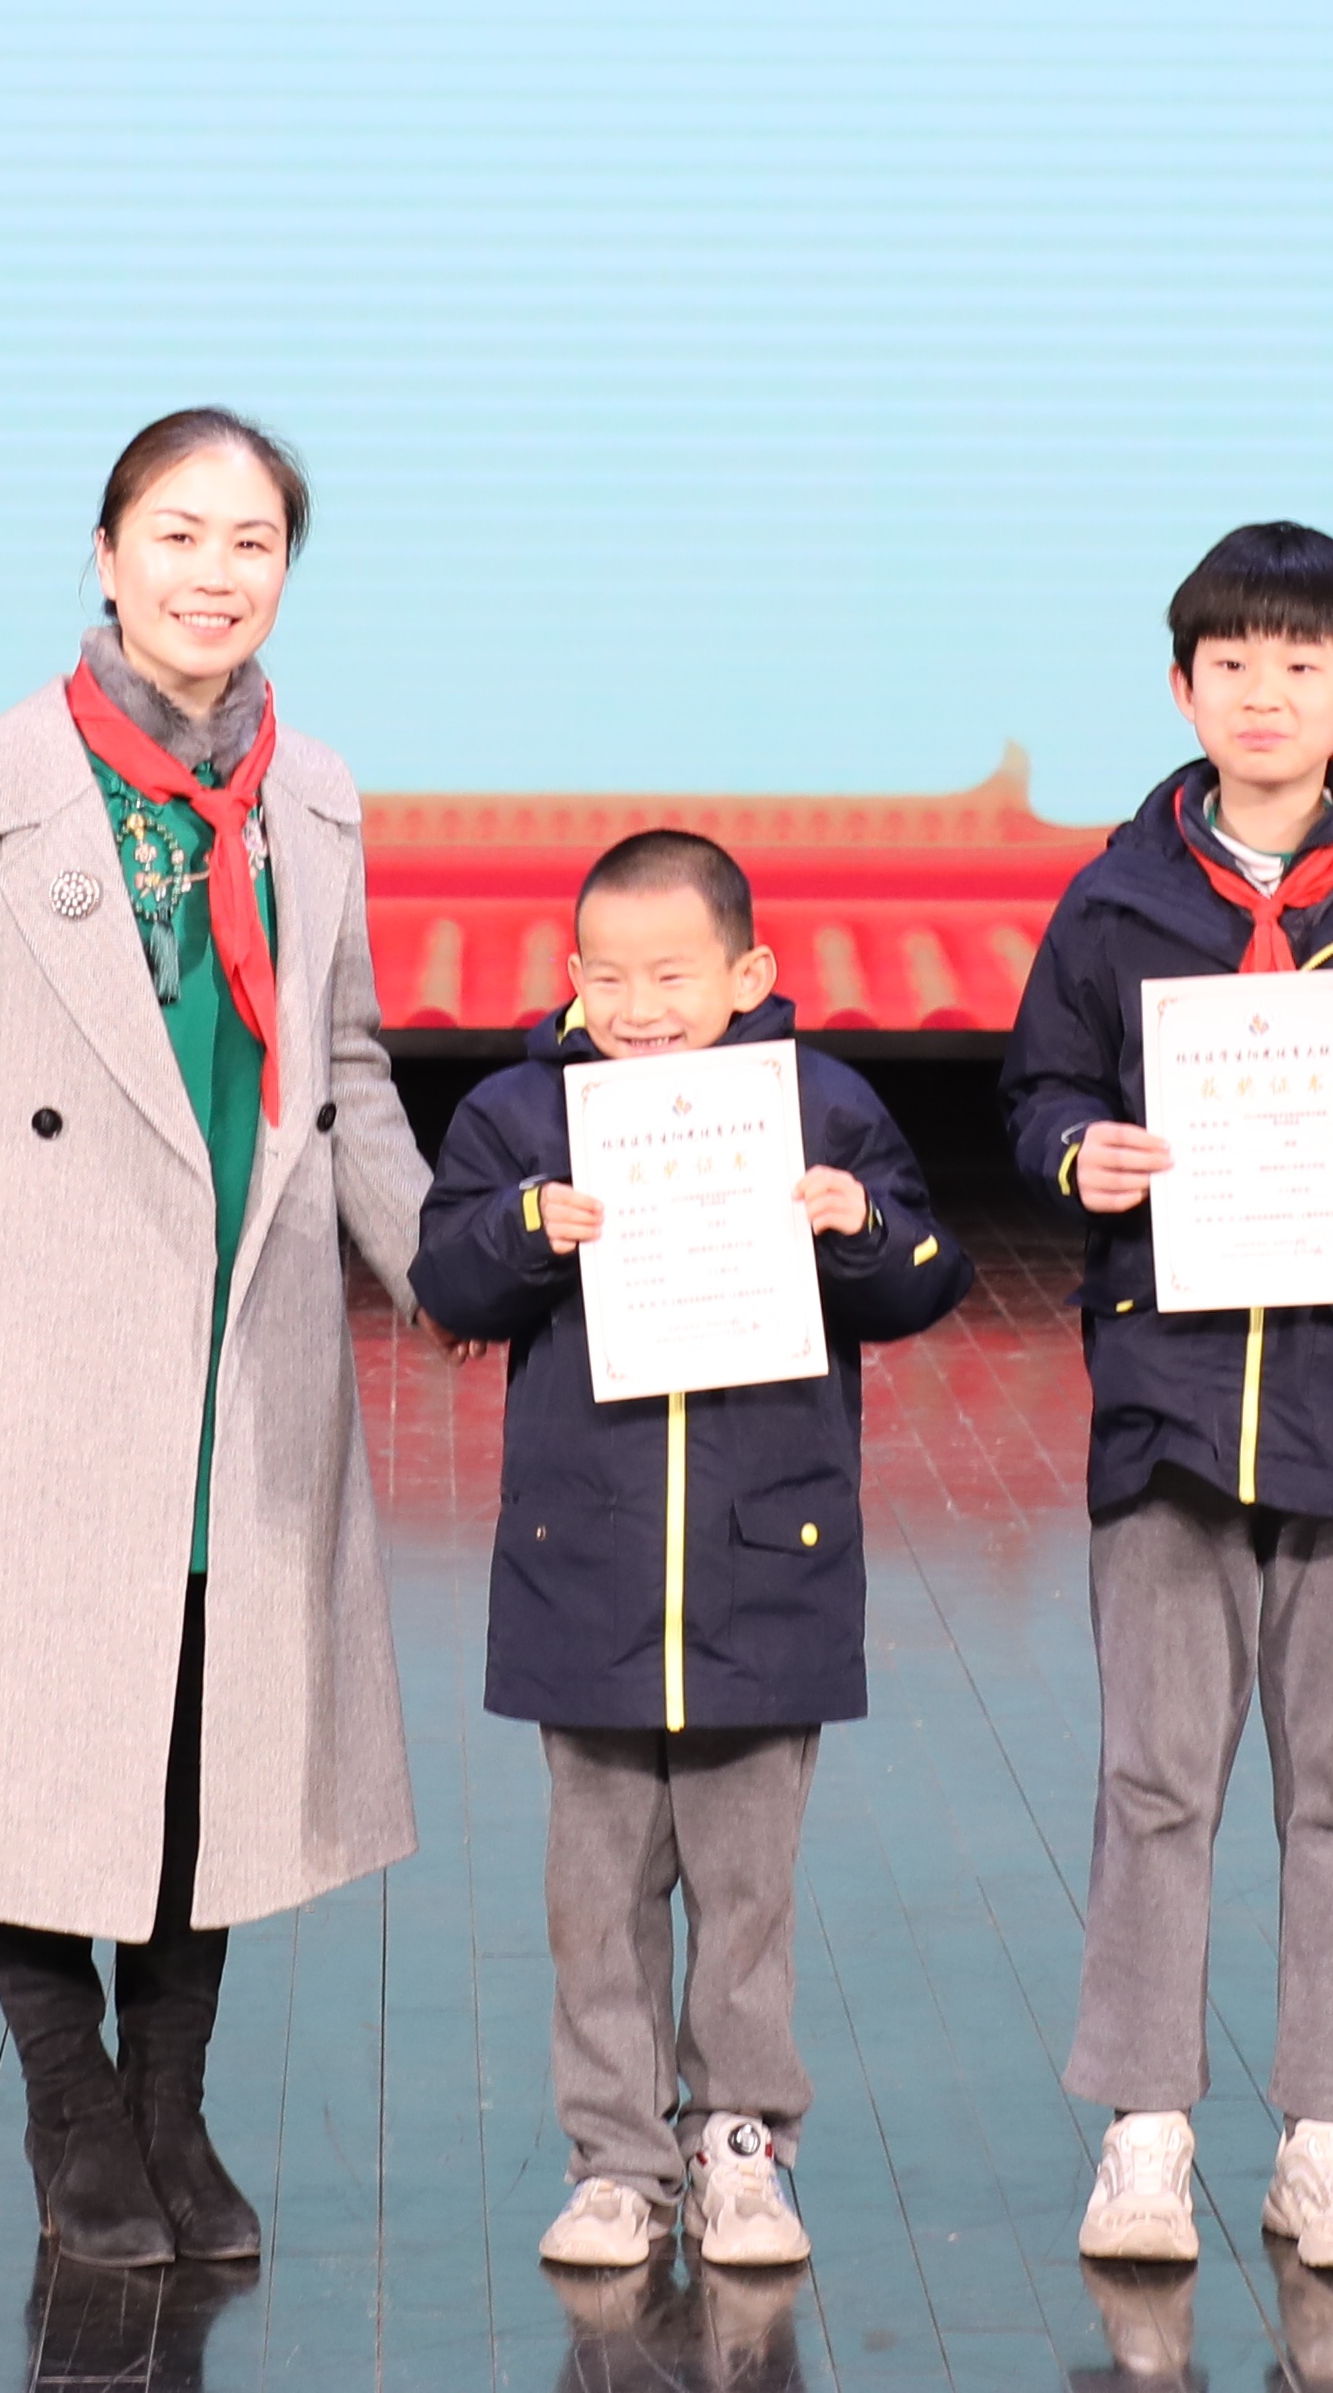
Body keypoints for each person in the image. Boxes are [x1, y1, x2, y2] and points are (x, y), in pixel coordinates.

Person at [0, 408, 438, 2266]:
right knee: (35, 1715)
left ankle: (171, 2103)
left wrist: (446, 1267)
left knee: (200, 1732)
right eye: (176, 534)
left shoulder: (313, 793)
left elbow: (342, 1064)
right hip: (45, 1324)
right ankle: (70, 2101)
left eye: (251, 543)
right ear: (104, 553)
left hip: (247, 1326)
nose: (211, 576)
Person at [999, 521, 1333, 2275]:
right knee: (1155, 1782)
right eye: (1228, 663)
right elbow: (1036, 1094)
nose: (1262, 693)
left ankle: (1328, 2138)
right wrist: (1077, 1152)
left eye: (1300, 665)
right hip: (1168, 1396)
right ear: (1181, 690)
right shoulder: (1113, 899)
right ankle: (1143, 2133)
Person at [412, 829, 973, 2275]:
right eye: (608, 977)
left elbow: (927, 1280)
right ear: (570, 975)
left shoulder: (819, 1106)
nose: (639, 1006)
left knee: (746, 1897)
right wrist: (527, 1228)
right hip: (582, 1573)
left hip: (764, 1569)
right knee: (593, 1903)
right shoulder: (517, 1117)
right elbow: (445, 1281)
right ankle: (615, 2162)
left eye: (672, 975)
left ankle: (741, 2147)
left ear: (749, 972)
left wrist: (859, 1228)